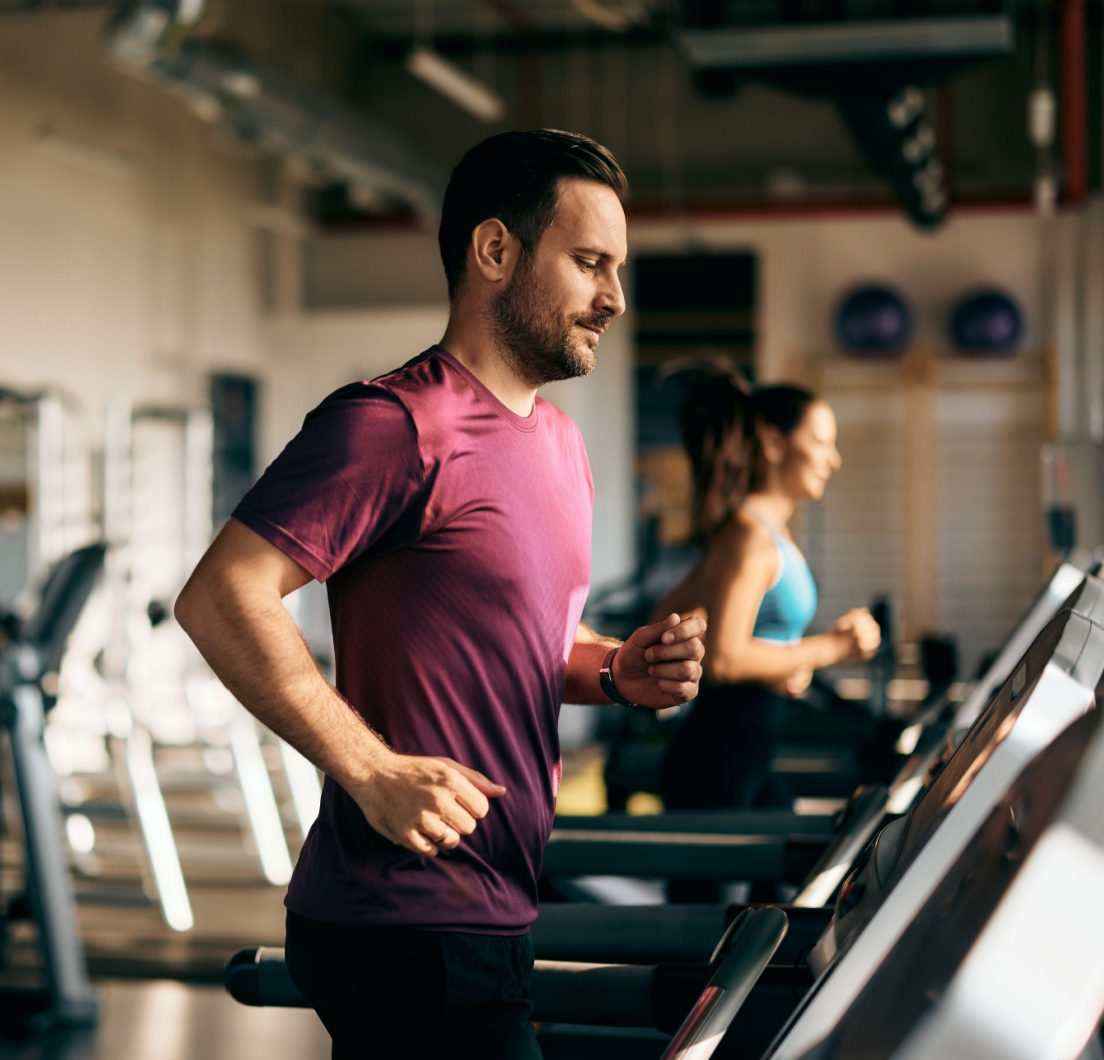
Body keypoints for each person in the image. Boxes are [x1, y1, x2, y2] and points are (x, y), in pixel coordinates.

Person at [174, 129, 706, 1060]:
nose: (614, 299)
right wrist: (372, 770)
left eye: (616, 270)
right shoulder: (394, 424)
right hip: (404, 919)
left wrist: (618, 671)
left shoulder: (560, 445)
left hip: (495, 904)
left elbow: (530, 637)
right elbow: (223, 595)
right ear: (495, 251)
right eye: (589, 264)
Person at [655, 372, 881, 897]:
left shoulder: (751, 532)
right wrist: (833, 649)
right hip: (719, 760)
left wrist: (781, 664)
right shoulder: (749, 537)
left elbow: (670, 614)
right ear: (776, 443)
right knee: (712, 951)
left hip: (745, 753)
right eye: (822, 442)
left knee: (787, 905)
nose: (834, 458)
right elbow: (728, 661)